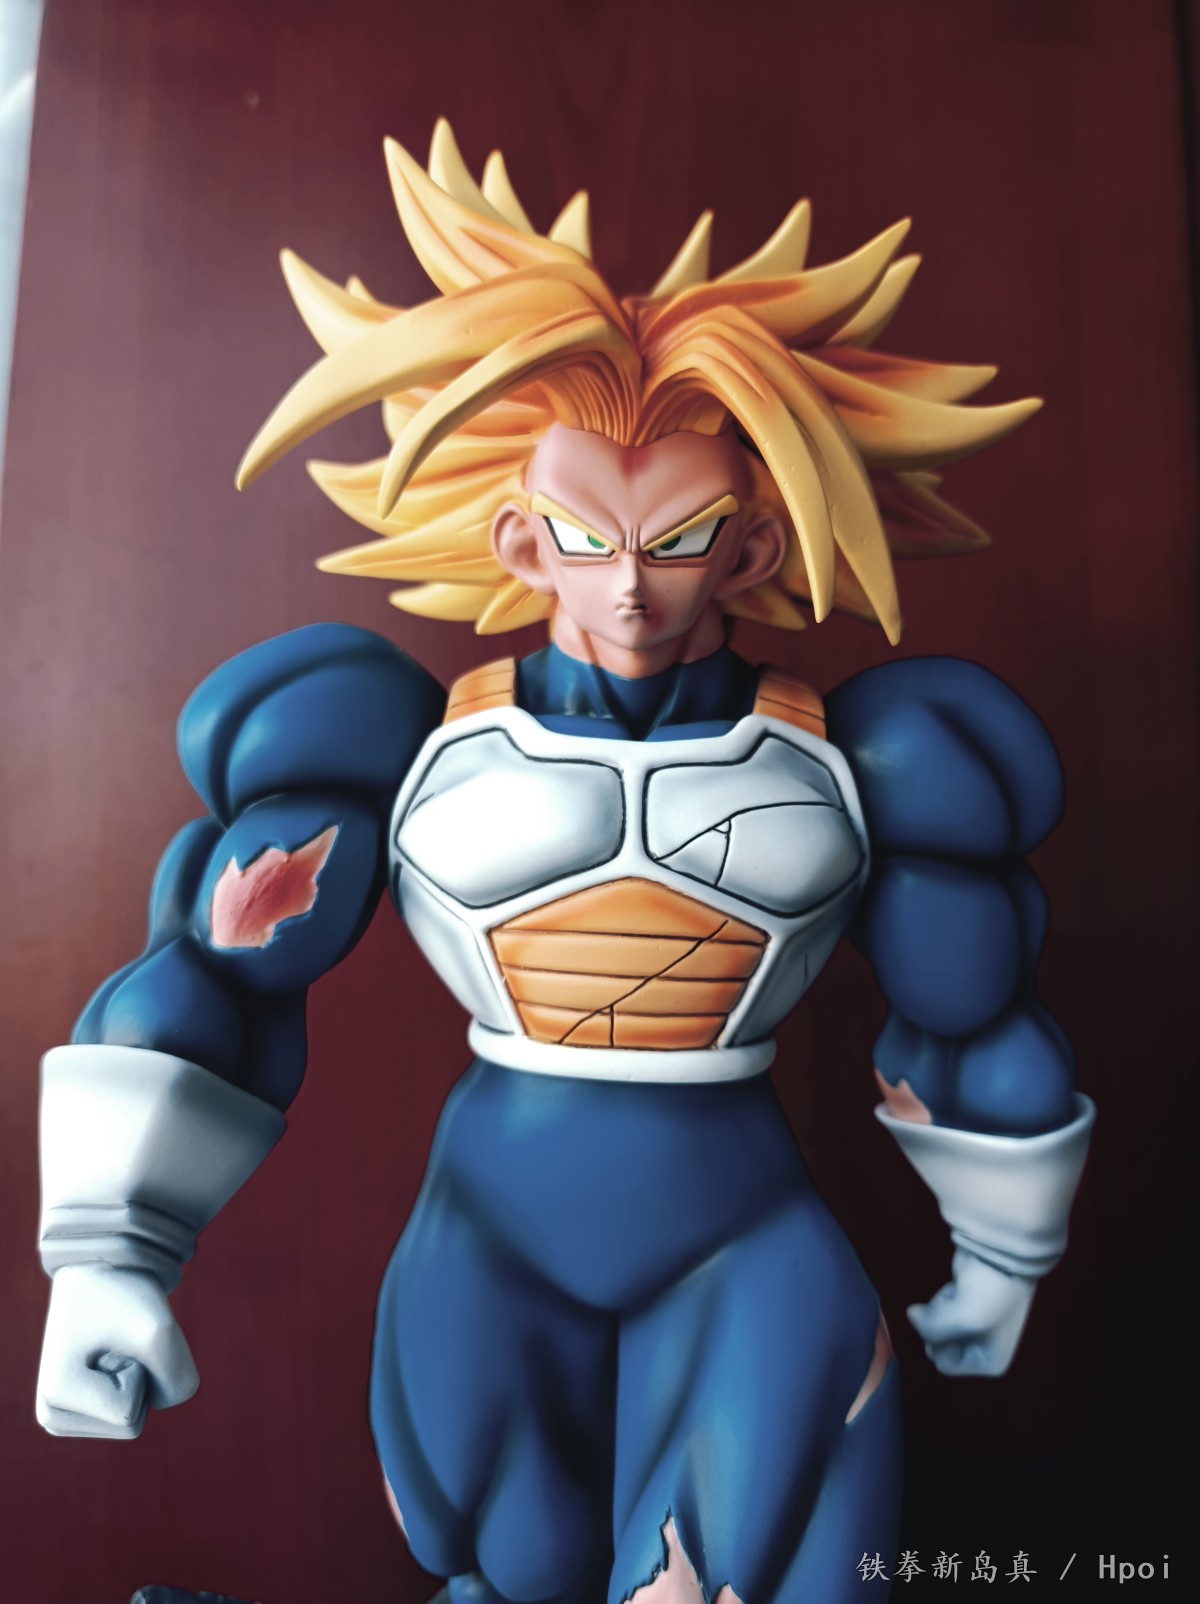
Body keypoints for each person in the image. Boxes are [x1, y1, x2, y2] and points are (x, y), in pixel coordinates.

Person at [35, 123, 1093, 1604]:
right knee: (501, 1577)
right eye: (586, 540)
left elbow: (969, 1004)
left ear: (752, 547)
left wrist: (1003, 1252)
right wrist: (110, 1249)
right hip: (491, 1239)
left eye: (680, 540)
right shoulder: (389, 738)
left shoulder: (870, 758)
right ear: (520, 540)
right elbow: (219, 975)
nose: (630, 589)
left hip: (741, 1238)